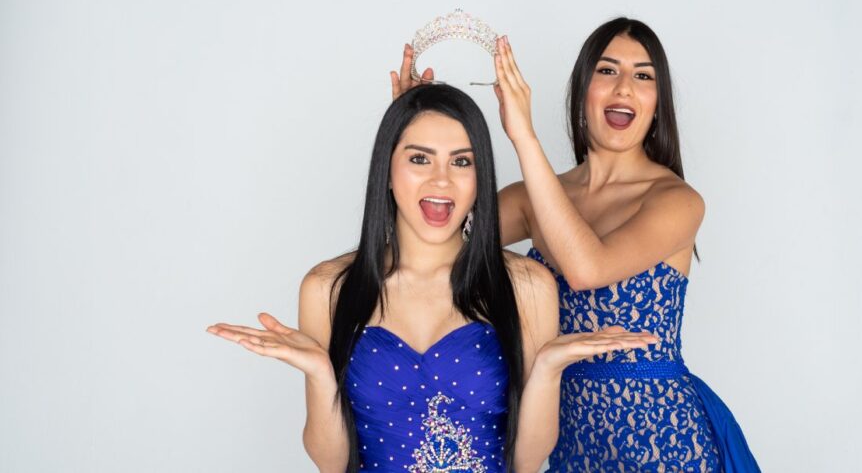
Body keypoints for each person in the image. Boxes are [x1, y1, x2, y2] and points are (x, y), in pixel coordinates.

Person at [207, 84, 657, 472]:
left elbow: (526, 463)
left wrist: (546, 370)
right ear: (387, 168)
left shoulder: (527, 286)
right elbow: (332, 464)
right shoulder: (328, 287)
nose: (442, 180)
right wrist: (322, 374)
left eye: (461, 162)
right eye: (420, 159)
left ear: (480, 177)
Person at [491, 19, 760, 472]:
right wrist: (412, 120)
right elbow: (433, 241)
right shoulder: (534, 197)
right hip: (568, 441)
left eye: (643, 75)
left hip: (664, 442)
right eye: (607, 70)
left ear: (658, 102)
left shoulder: (677, 200)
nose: (624, 88)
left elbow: (586, 270)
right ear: (583, 89)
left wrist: (524, 136)